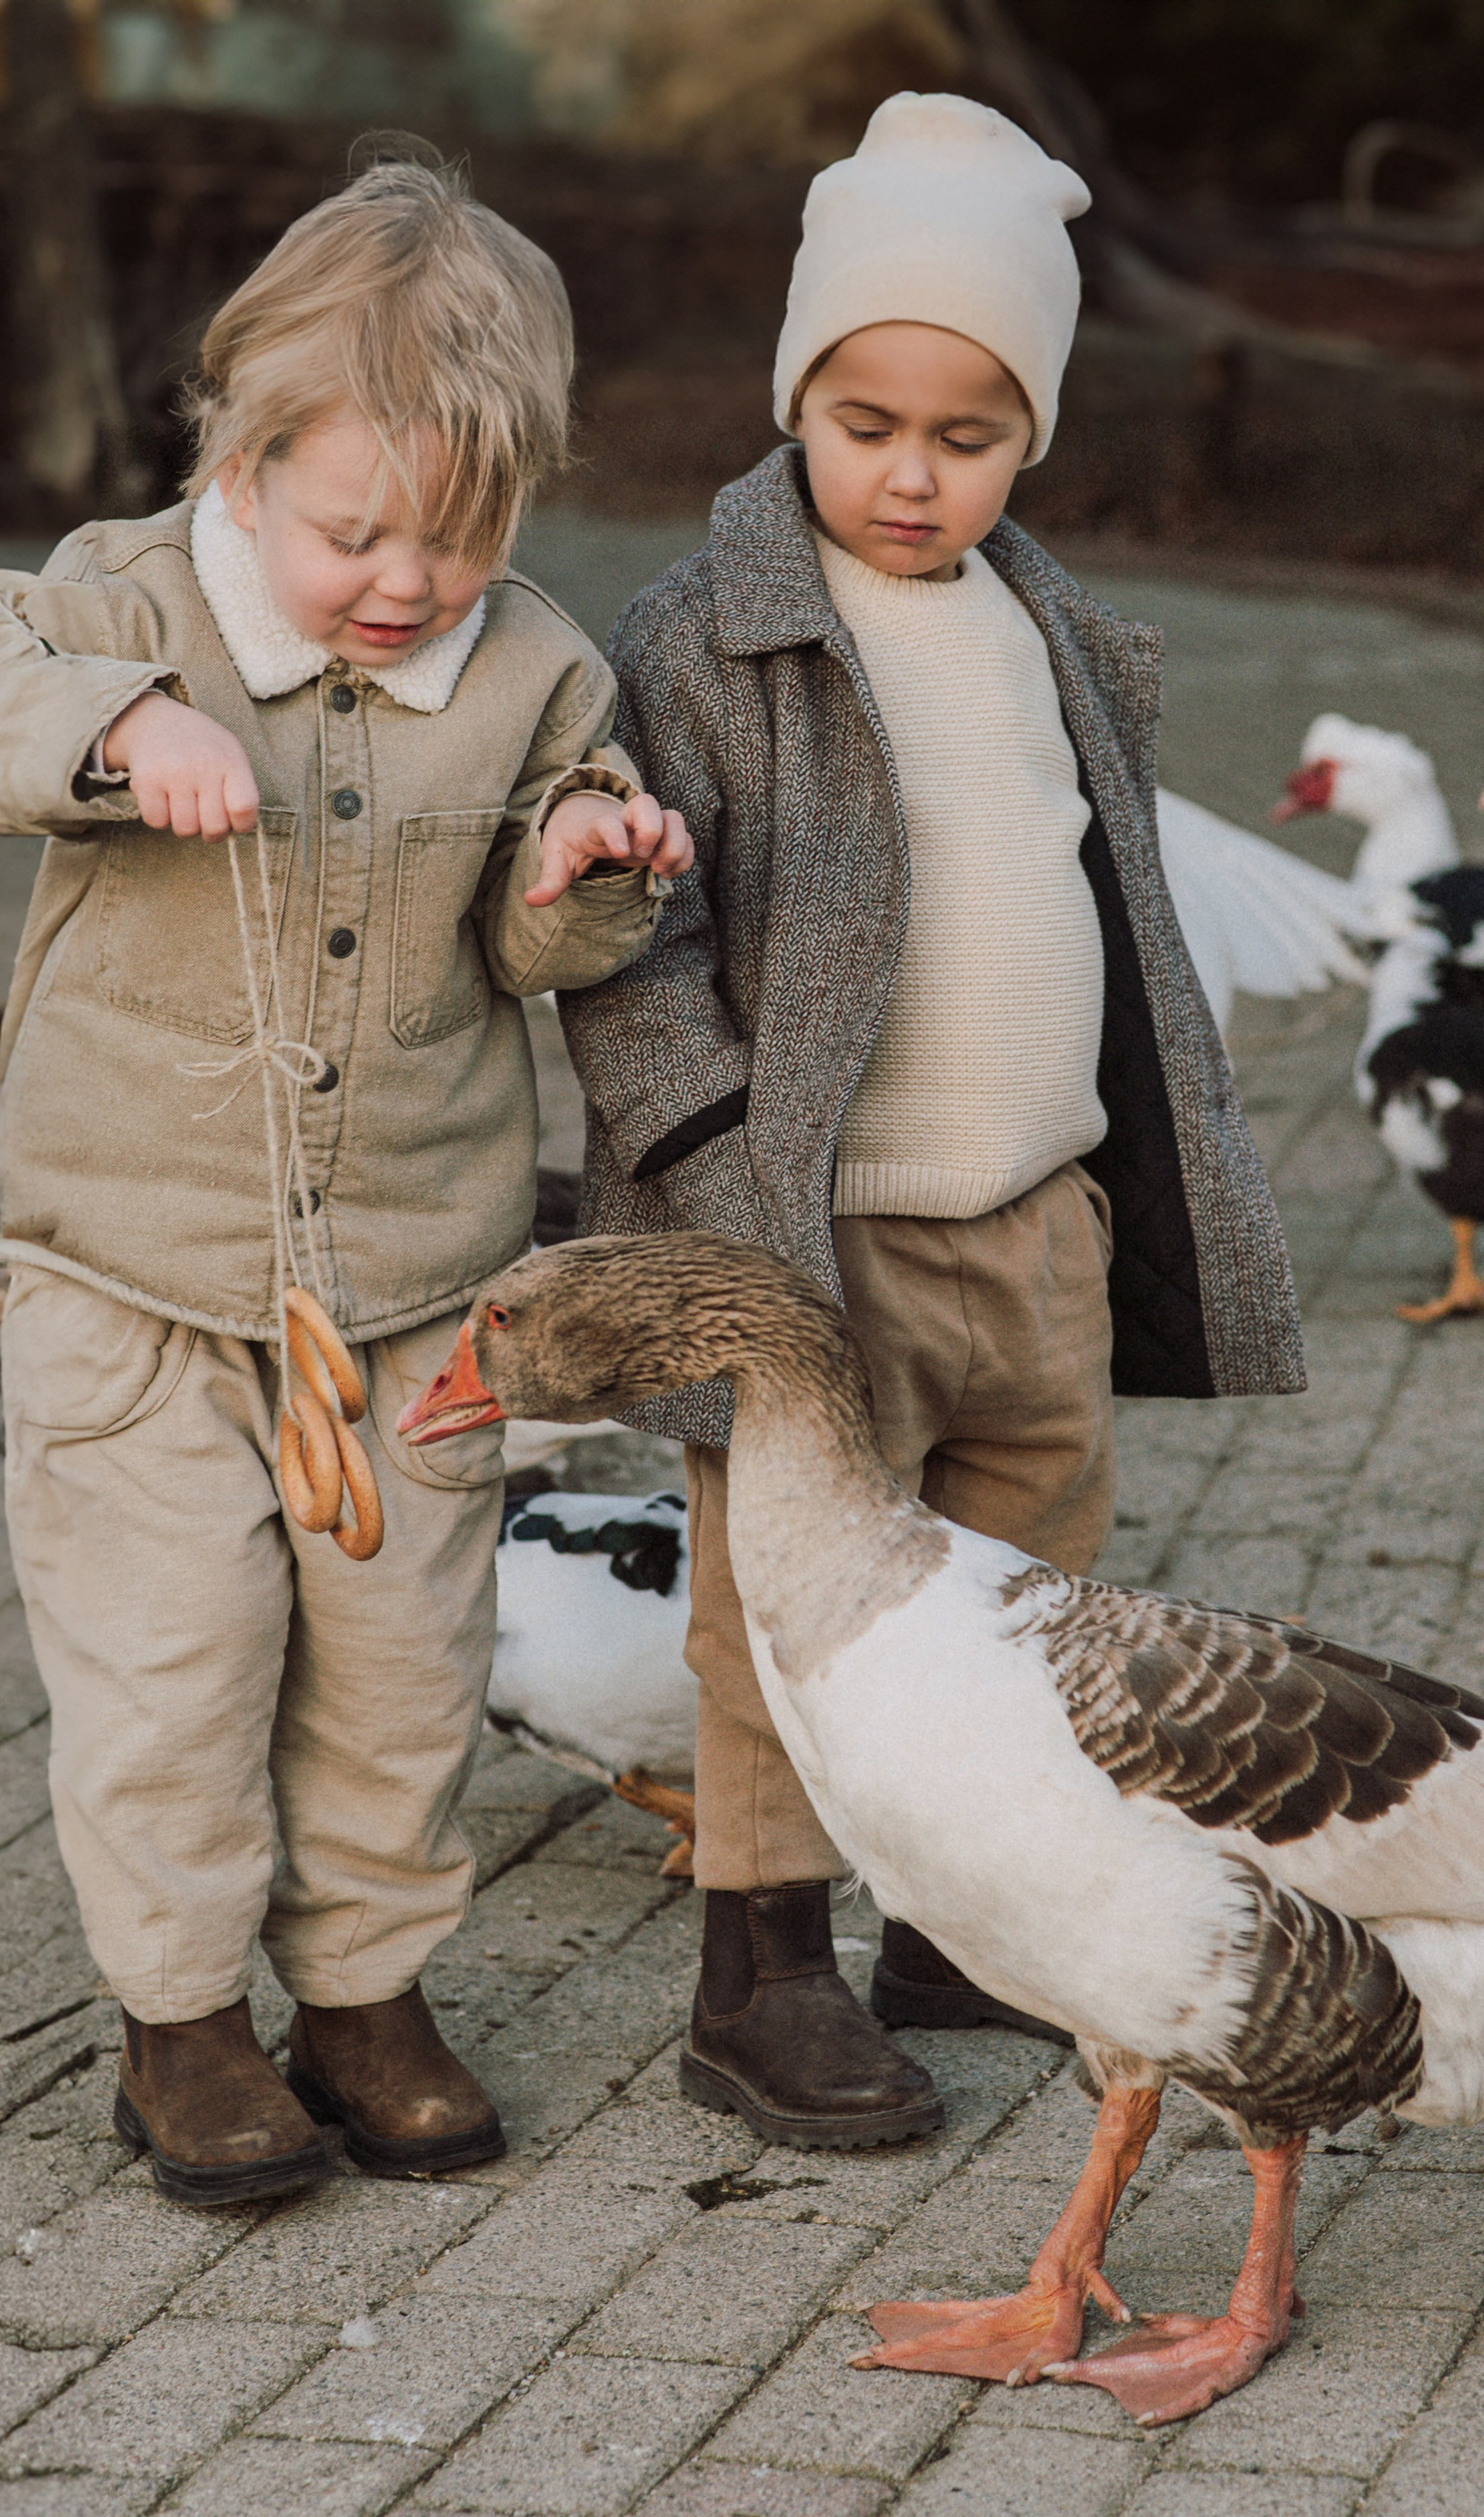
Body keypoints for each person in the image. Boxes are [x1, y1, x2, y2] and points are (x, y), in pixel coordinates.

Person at [0, 154, 691, 2207]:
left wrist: (578, 875)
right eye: (356, 529)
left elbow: (536, 937)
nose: (405, 581)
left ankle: (367, 1989)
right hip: (138, 1276)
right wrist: (119, 725)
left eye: (461, 533)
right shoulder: (119, 594)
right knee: (173, 1660)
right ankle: (179, 2020)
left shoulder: (534, 668)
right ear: (245, 459)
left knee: (403, 1661)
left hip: (409, 1287)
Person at [559, 93, 1305, 2151]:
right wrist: (706, 1167)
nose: (912, 473)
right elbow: (626, 939)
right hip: (806, 1239)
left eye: (968, 436)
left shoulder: (1040, 626)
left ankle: (955, 1920)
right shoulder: (702, 640)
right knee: (790, 1614)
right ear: (799, 391)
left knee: (1020, 1585)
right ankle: (763, 1964)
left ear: (1031, 439)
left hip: (1030, 1219)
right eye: (867, 419)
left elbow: (1085, 892)